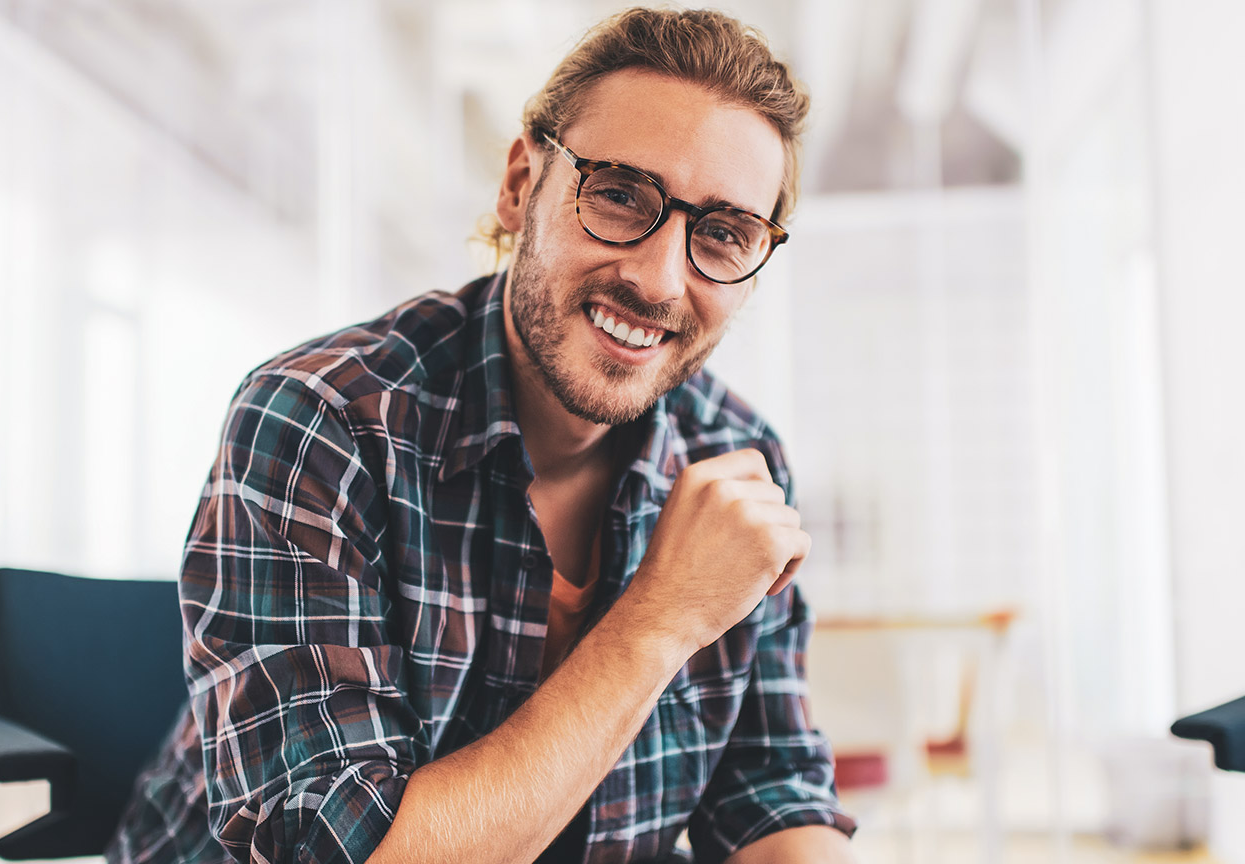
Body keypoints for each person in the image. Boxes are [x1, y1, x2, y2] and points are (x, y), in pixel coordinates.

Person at [108, 8, 857, 864]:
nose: (658, 280)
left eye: (722, 234)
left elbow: (769, 791)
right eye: (617, 194)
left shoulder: (735, 458)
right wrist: (661, 618)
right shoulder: (321, 421)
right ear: (519, 186)